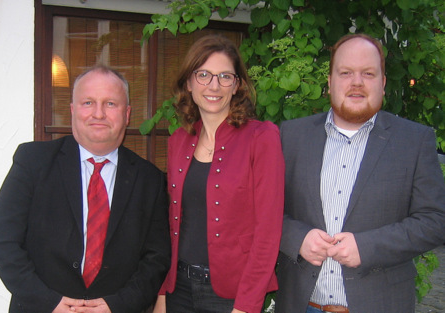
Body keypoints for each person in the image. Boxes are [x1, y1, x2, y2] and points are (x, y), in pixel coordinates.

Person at [275, 33, 445, 313]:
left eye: (368, 73)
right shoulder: (291, 136)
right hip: (301, 304)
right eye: (346, 73)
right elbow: (264, 210)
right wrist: (296, 237)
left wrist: (367, 247)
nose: (356, 82)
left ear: (383, 83)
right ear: (330, 82)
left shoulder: (414, 140)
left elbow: (435, 221)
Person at [0, 65, 171, 313]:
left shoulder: (149, 179)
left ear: (127, 113)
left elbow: (157, 257)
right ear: (72, 110)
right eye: (88, 102)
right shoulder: (33, 161)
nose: (98, 113)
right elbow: (3, 242)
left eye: (111, 104)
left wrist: (118, 304)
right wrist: (49, 303)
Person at [152, 35, 285, 313]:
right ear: (189, 82)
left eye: (225, 76)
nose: (214, 86)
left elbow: (267, 234)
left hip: (231, 296)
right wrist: (164, 292)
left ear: (237, 85)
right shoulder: (179, 140)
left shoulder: (261, 138)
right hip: (180, 290)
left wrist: (247, 306)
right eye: (203, 75)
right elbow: (173, 225)